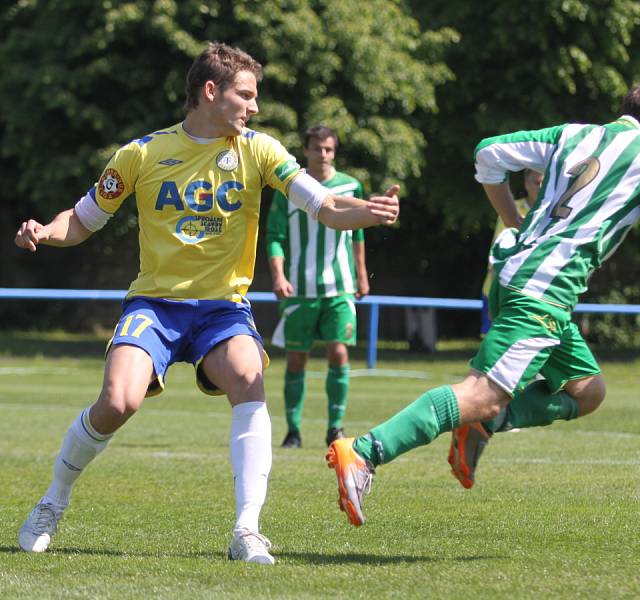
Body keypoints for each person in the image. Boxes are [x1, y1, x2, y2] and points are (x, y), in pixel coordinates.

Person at [13, 42, 399, 562]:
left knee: (248, 377)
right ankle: (52, 501)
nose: (255, 108)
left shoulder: (260, 150)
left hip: (222, 308)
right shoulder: (141, 154)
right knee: (118, 402)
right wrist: (45, 231)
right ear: (210, 92)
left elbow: (326, 205)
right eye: (246, 95)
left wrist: (368, 211)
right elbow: (82, 219)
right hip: (155, 305)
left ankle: (246, 531)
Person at [325, 76, 640, 527]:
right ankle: (364, 451)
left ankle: (481, 426)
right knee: (482, 393)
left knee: (587, 390)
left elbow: (487, 153)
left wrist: (514, 222)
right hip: (544, 292)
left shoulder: (573, 135)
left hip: (518, 279)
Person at [267, 126, 368, 449]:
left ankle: (335, 428)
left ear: (334, 152)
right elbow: (275, 236)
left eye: (328, 149)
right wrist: (279, 276)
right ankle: (293, 430)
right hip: (300, 288)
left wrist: (362, 274)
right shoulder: (290, 188)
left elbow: (359, 235)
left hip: (339, 286)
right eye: (317, 148)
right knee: (297, 358)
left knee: (338, 352)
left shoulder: (351, 185)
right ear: (306, 150)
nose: (323, 154)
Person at [480, 168, 544, 334]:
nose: (540, 187)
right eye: (536, 182)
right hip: (500, 289)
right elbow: (499, 251)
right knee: (493, 345)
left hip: (534, 293)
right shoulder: (510, 209)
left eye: (544, 182)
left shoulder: (553, 214)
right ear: (526, 183)